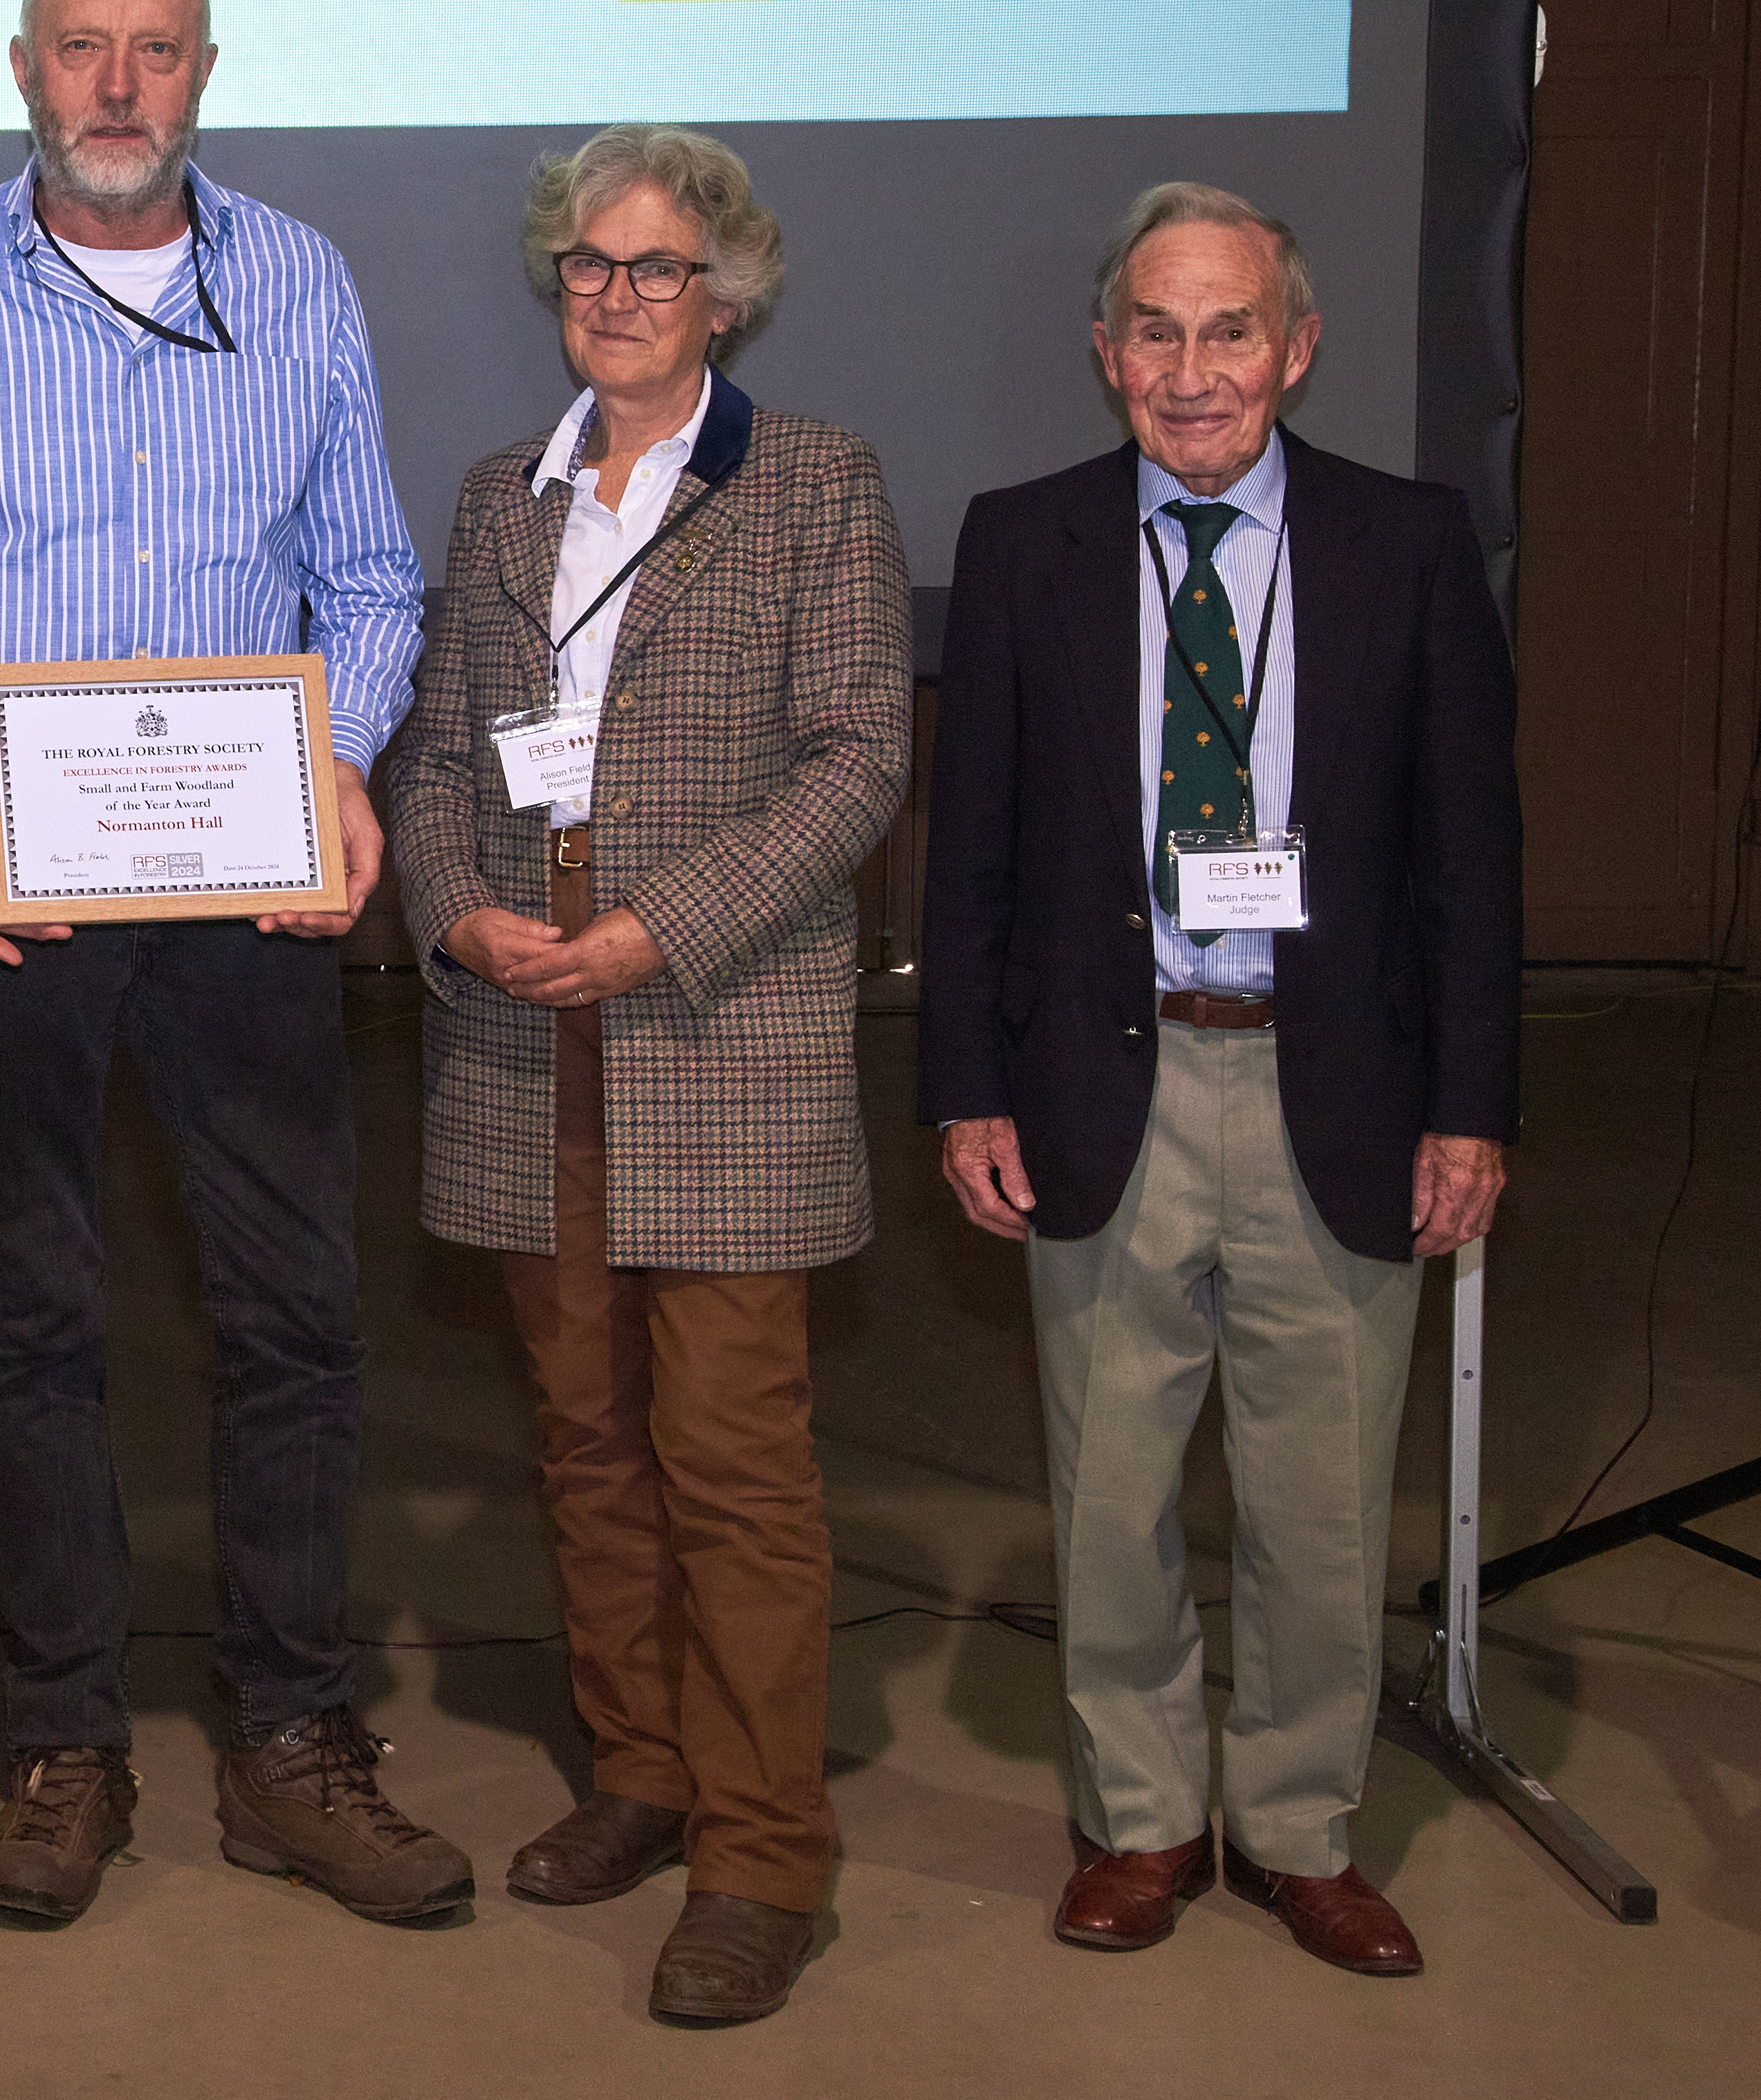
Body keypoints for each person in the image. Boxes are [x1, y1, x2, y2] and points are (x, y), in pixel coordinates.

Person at [0, 0, 457, 1927]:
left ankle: (286, 1740)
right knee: (33, 1318)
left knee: (293, 1320)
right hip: (4, 896)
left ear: (202, 69)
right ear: (22, 66)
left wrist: (339, 759)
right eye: (82, 48)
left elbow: (367, 578)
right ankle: (65, 1744)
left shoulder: (305, 282)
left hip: (251, 891)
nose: (117, 86)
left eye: (154, 51)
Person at [921, 183, 1518, 1979]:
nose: (1194, 373)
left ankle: (1296, 1829)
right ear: (1107, 357)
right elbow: (973, 863)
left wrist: (1475, 1103)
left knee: (1324, 1507)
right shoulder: (1024, 546)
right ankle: (1142, 1821)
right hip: (1104, 1088)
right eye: (1158, 334)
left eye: (1231, 329)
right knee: (1109, 1499)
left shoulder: (1405, 546)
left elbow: (1471, 859)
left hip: (1335, 1089)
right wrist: (967, 1088)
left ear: (1298, 347)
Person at [386, 127, 910, 2023]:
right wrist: (457, 918)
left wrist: (655, 929)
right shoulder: (493, 500)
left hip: (716, 1014)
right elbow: (439, 759)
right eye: (590, 266)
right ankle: (642, 1774)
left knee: (734, 1463)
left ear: (729, 290)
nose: (617, 296)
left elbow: (856, 762)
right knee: (587, 1442)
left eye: (659, 267)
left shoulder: (817, 485)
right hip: (526, 1023)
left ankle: (764, 1856)